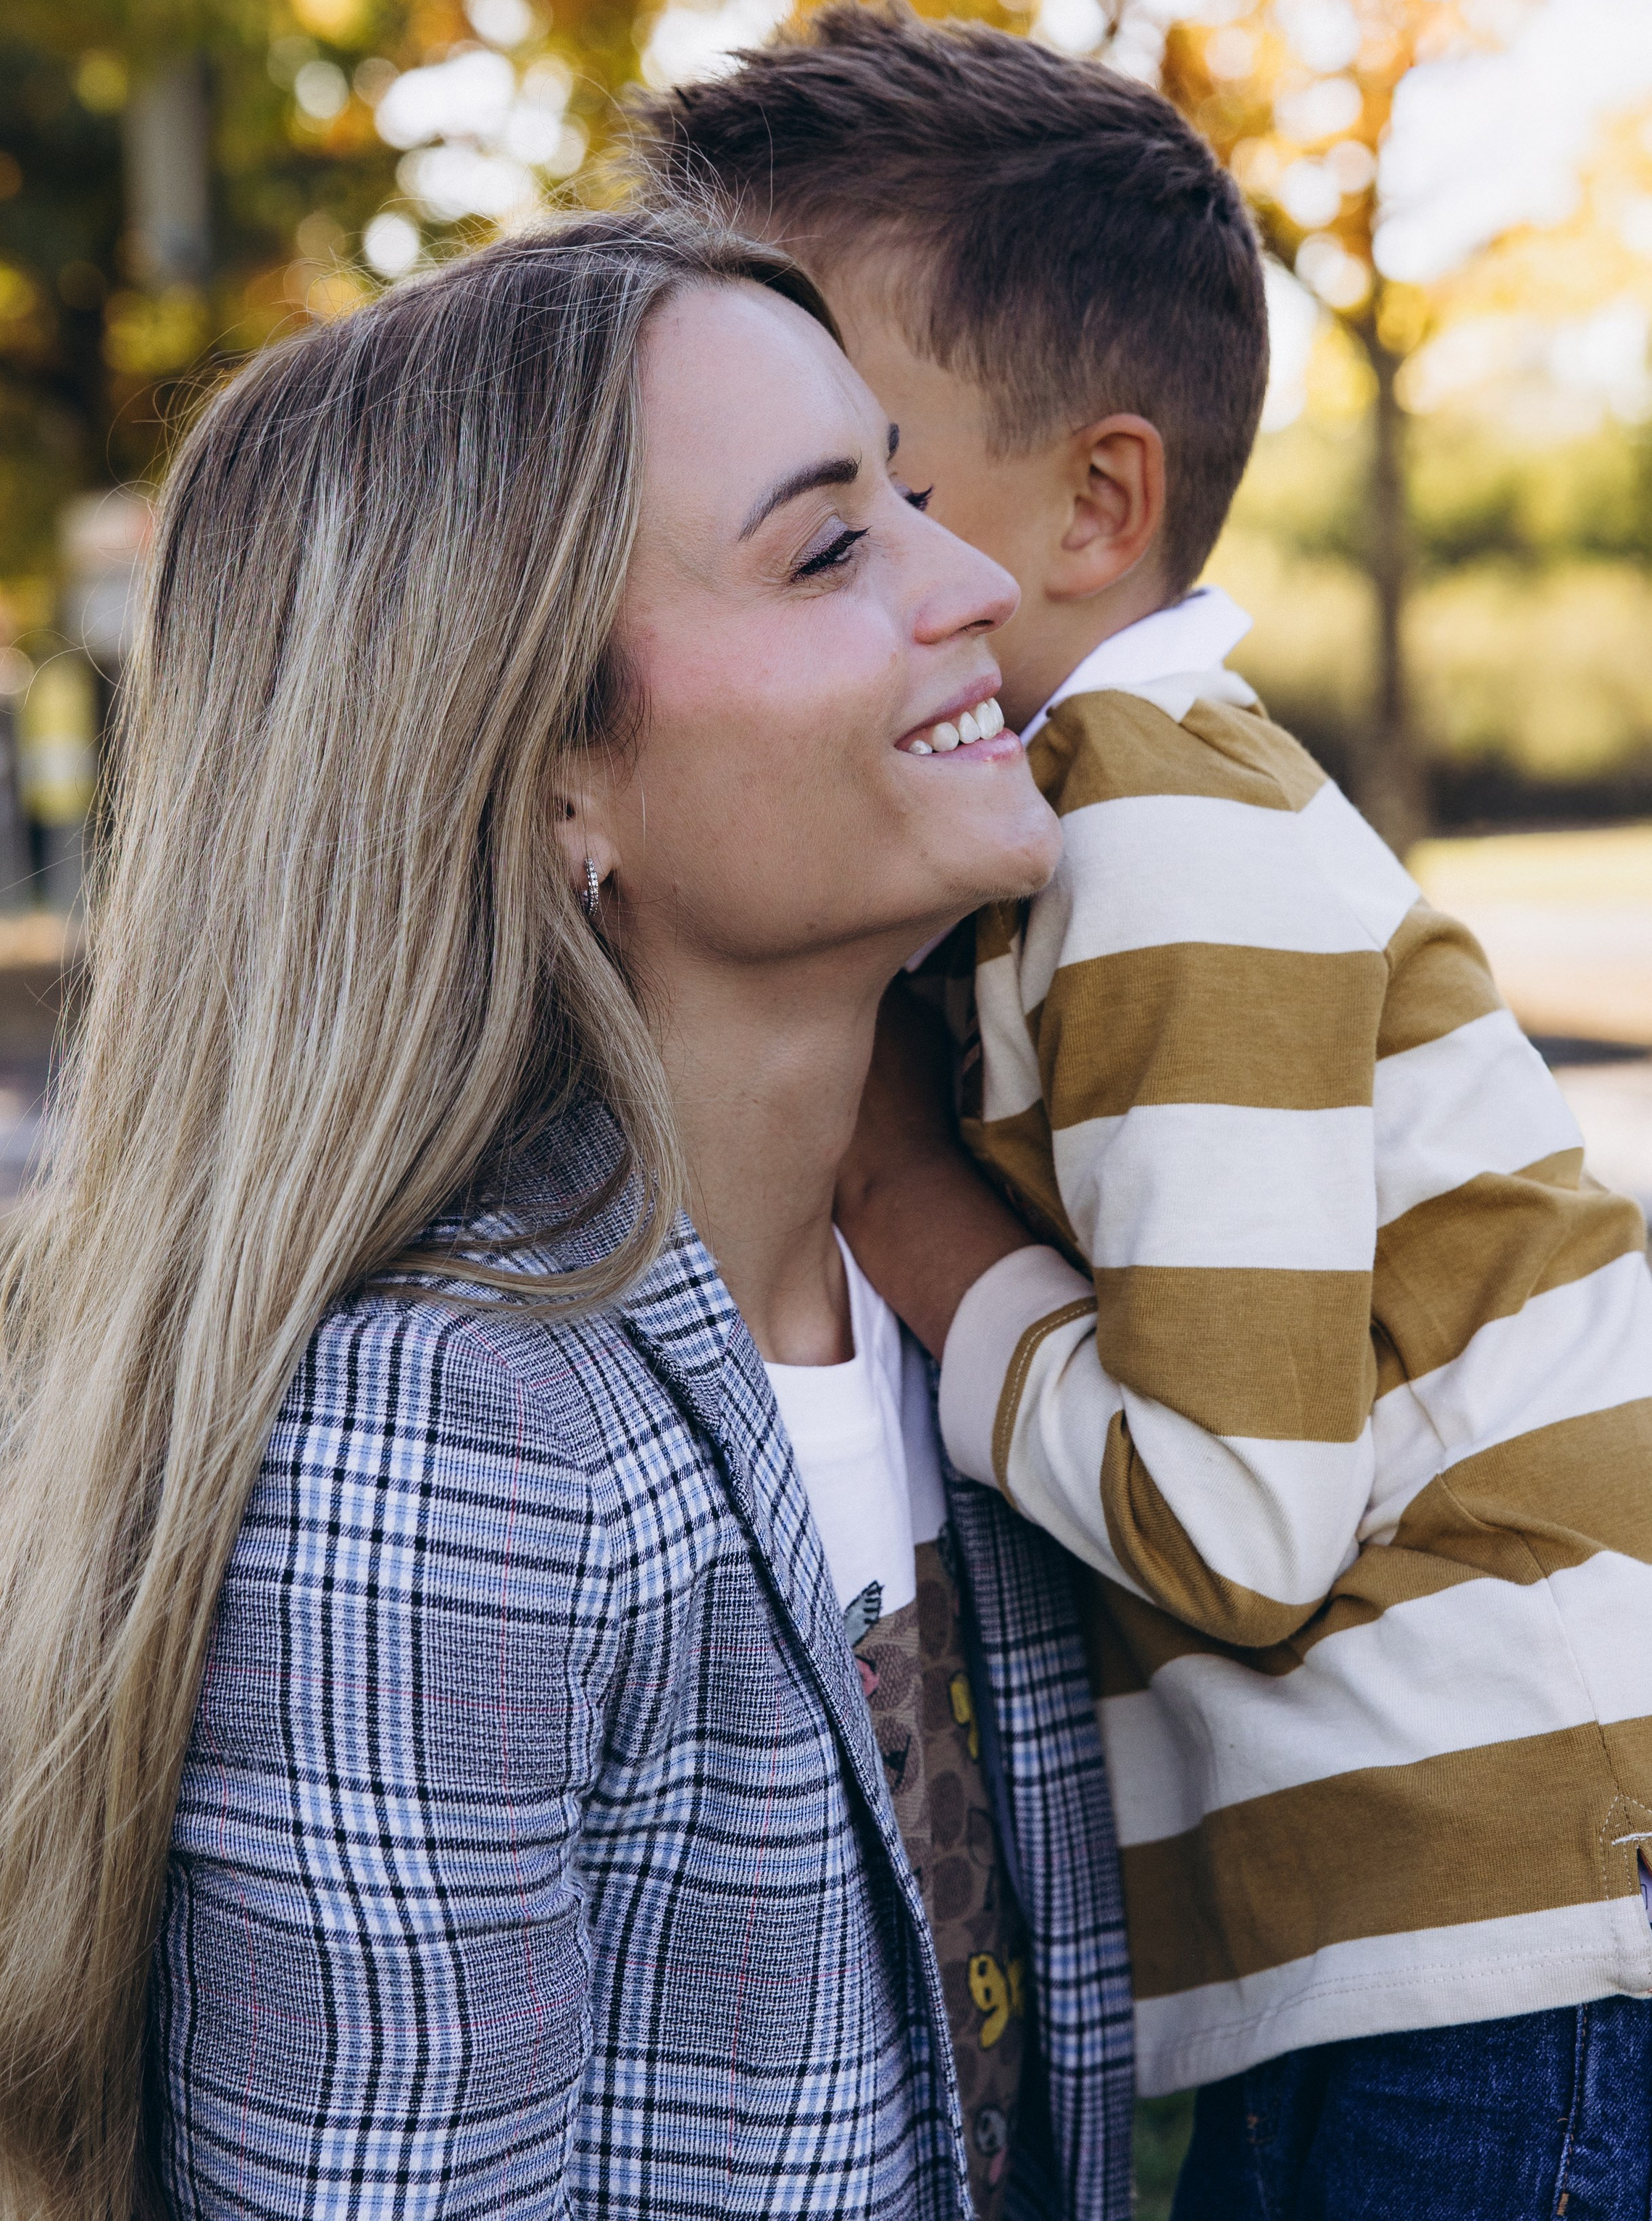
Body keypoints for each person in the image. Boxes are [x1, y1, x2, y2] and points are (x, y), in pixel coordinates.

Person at [640, 2, 1652, 2217]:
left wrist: (907, 1207)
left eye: (876, 491)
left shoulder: (1161, 841)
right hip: (1431, 1937)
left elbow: (1241, 1517)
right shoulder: (1075, 857)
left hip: (1542, 1926)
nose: (873, 564)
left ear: (1097, 503)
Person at [0, 207, 1132, 2221]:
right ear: (546, 778)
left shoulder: (999, 1301)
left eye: (920, 494)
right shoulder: (456, 1442)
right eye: (830, 544)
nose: (977, 585)